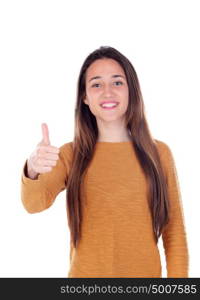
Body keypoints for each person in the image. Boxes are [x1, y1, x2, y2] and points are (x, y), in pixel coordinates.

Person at [21, 46, 189, 278]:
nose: (107, 92)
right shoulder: (70, 154)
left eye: (117, 82)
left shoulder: (159, 153)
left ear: (131, 91)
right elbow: (33, 204)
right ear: (85, 97)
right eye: (97, 84)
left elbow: (174, 231)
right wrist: (32, 168)